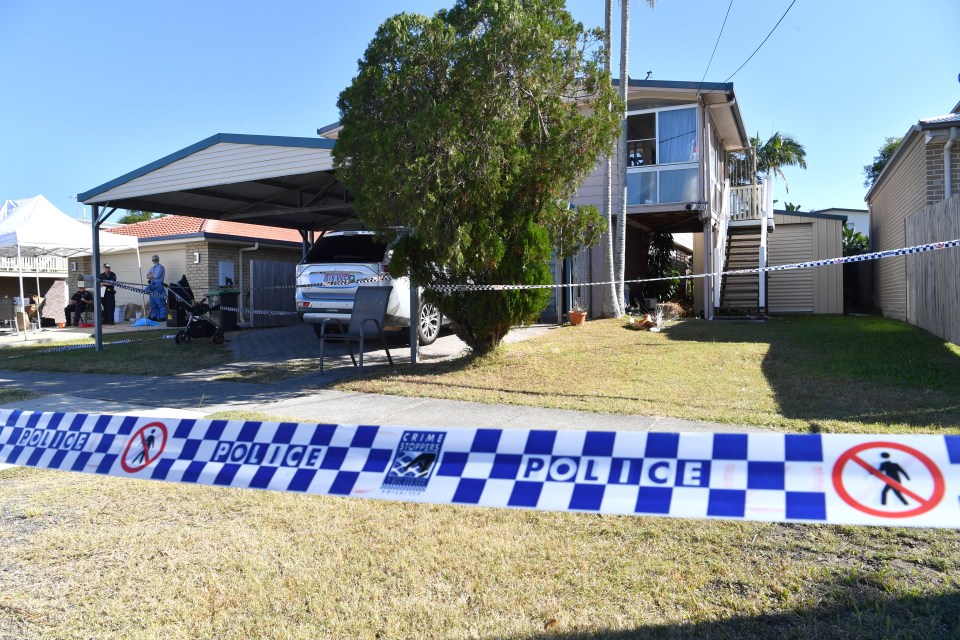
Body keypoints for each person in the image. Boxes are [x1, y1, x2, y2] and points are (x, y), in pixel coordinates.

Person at [146, 255, 167, 322]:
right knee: (153, 303)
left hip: (158, 286)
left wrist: (151, 275)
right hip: (152, 286)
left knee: (160, 302)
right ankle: (154, 317)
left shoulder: (161, 267)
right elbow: (147, 276)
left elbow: (157, 276)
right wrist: (152, 275)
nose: (155, 261)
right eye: (153, 260)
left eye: (156, 260)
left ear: (158, 260)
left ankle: (163, 317)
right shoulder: (152, 268)